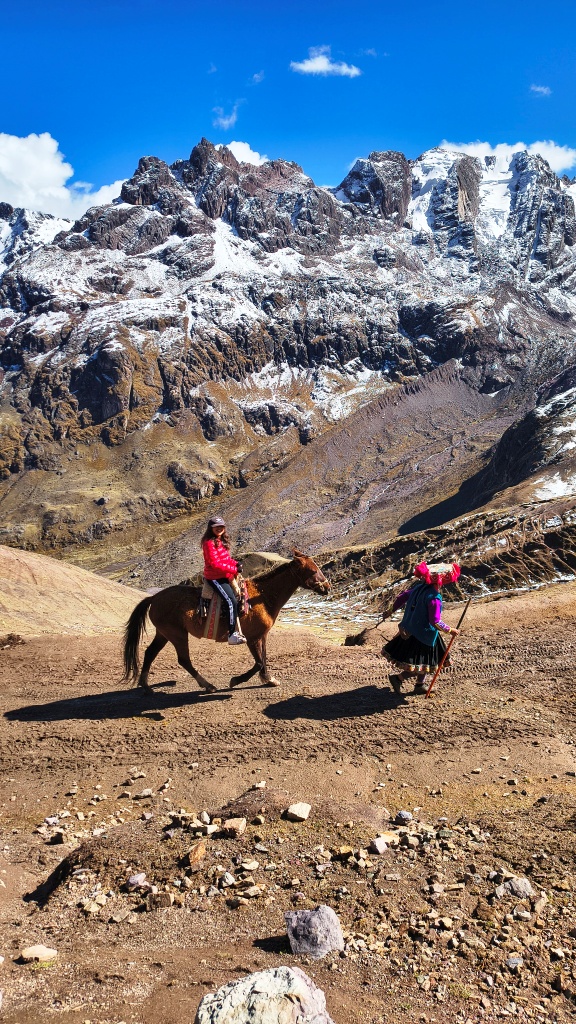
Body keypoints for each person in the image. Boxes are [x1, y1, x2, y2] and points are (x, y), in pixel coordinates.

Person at [382, 561, 461, 693]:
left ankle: (420, 685)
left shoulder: (418, 589)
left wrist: (390, 611)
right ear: (440, 581)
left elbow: (402, 597)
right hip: (424, 635)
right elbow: (435, 621)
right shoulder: (434, 598)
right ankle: (398, 678)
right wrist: (450, 630)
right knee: (423, 665)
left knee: (423, 662)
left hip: (410, 630)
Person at [201, 516, 246, 645]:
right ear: (211, 528)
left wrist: (236, 564)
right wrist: (233, 569)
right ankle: (232, 635)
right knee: (231, 600)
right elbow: (215, 564)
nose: (219, 528)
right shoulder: (209, 542)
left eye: (221, 526)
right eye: (216, 527)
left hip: (224, 574)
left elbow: (226, 559)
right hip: (215, 577)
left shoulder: (220, 541)